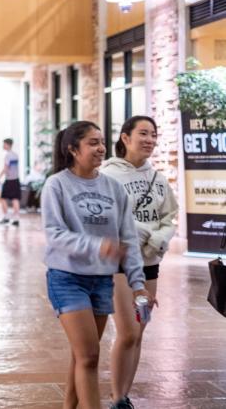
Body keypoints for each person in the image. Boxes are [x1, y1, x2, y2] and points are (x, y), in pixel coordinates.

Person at [43, 121, 154, 409]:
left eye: (102, 141)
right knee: (90, 355)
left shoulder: (114, 188)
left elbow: (127, 238)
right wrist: (97, 245)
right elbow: (54, 235)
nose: (101, 148)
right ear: (72, 149)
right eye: (92, 142)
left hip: (101, 280)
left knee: (83, 355)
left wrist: (138, 285)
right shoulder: (56, 185)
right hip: (67, 278)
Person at [101, 116, 178, 409]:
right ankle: (117, 398)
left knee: (139, 330)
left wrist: (161, 237)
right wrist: (148, 233)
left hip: (150, 262)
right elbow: (111, 220)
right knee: (128, 331)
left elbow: (169, 216)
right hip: (121, 263)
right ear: (125, 138)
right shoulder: (108, 175)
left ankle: (124, 396)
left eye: (153, 135)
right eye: (142, 133)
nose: (149, 139)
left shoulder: (157, 178)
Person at [0, 138, 21, 226]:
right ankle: (16, 219)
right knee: (15, 199)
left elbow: (6, 168)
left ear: (8, 145)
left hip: (9, 180)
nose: (3, 146)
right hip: (16, 180)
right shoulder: (15, 155)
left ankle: (6, 217)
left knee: (3, 198)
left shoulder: (7, 155)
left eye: (4, 144)